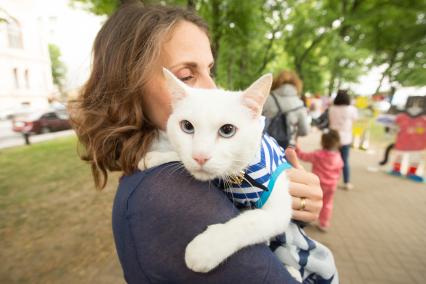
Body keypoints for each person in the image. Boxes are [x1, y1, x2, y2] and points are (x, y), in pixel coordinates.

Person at [71, 2, 323, 283]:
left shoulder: (154, 171)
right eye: (186, 76)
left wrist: (297, 199)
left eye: (209, 70)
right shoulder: (167, 195)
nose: (211, 90)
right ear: (128, 84)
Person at [296, 129, 343, 231]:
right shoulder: (338, 156)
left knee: (310, 202)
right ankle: (324, 223)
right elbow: (339, 169)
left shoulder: (318, 154)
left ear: (323, 142)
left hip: (318, 185)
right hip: (331, 186)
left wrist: (297, 148)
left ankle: (306, 219)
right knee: (327, 204)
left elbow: (303, 156)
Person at [263, 70, 310, 148]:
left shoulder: (267, 98)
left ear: (275, 83)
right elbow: (304, 131)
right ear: (297, 85)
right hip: (288, 148)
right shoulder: (300, 104)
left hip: (265, 145)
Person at [328, 90, 358, 190]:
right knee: (344, 161)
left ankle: (330, 180)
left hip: (332, 138)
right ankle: (346, 182)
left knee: (331, 161)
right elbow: (355, 119)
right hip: (345, 138)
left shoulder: (332, 108)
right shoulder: (351, 109)